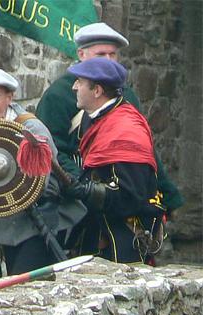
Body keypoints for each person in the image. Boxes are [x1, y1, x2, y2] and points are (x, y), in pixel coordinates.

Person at [36, 22, 183, 214]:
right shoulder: (58, 95)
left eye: (112, 54)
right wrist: (80, 183)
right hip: (70, 195)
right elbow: (51, 148)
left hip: (119, 194)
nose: (108, 60)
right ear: (82, 55)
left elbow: (142, 149)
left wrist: (168, 193)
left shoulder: (127, 96)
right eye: (101, 54)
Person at [0, 67, 86, 274]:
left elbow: (42, 184)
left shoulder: (31, 129)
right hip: (5, 226)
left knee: (29, 288)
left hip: (38, 224)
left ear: (9, 98)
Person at [66, 58, 165, 263]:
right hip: (97, 232)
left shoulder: (126, 129)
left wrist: (87, 190)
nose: (74, 86)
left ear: (97, 91)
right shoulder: (96, 117)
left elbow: (131, 196)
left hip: (122, 243)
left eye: (80, 82)